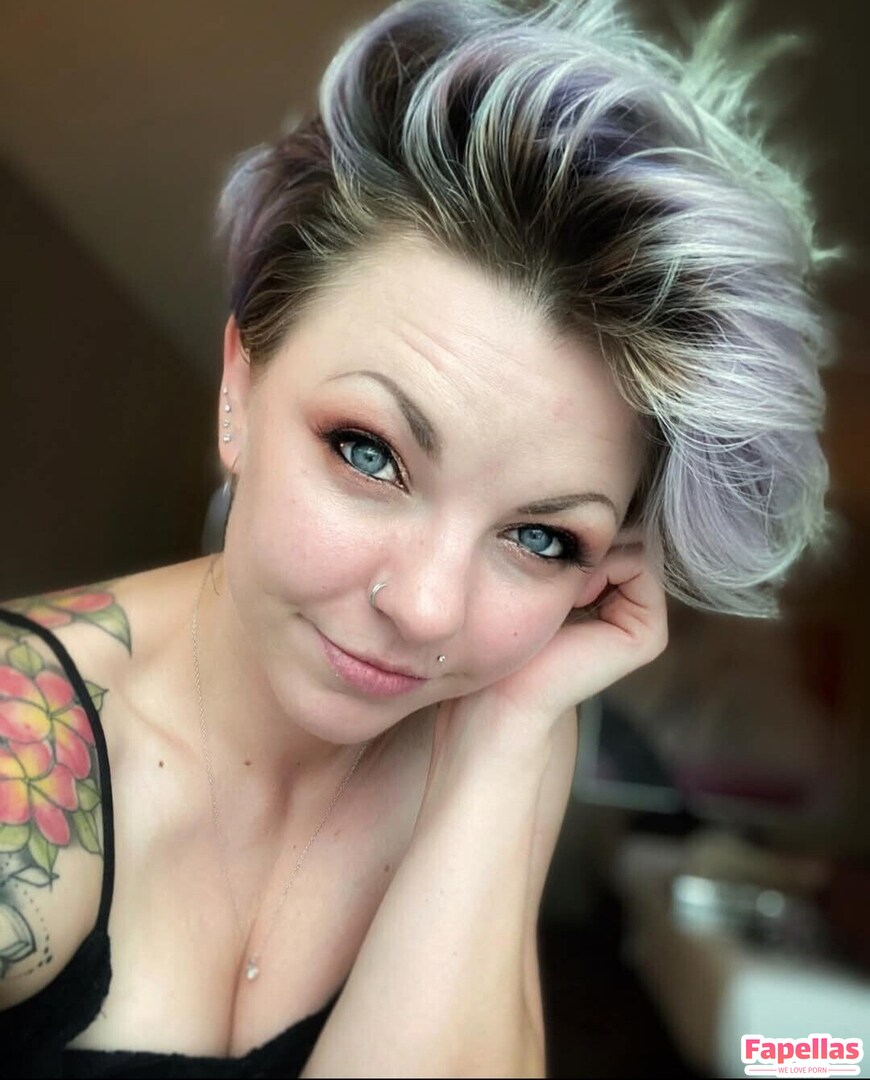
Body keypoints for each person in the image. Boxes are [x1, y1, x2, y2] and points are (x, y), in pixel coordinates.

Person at [0, 0, 841, 1075]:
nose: (430, 609)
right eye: (369, 453)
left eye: (542, 539)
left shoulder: (507, 725)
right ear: (239, 387)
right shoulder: (22, 759)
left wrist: (509, 738)